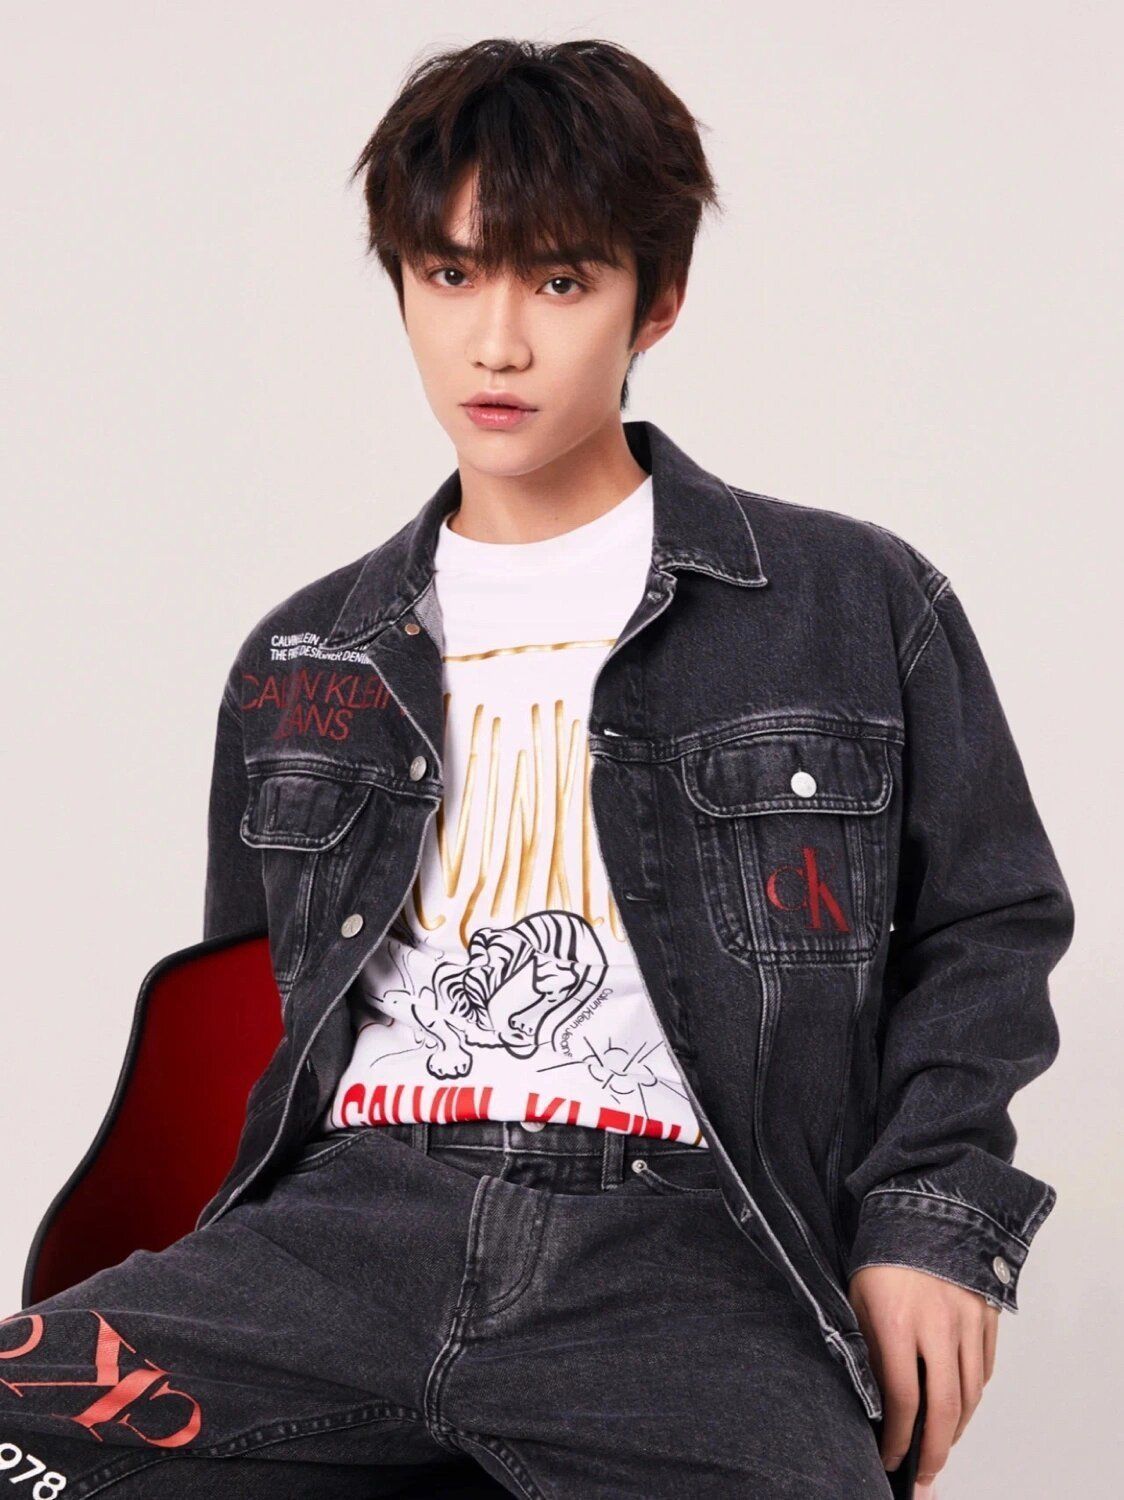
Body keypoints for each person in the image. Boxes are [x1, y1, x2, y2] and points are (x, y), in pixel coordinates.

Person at [1, 36, 1073, 1499]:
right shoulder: (305, 658)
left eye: (559, 282)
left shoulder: (851, 602)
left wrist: (933, 1223)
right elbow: (247, 1016)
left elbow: (989, 927)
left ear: (657, 301)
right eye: (450, 275)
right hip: (342, 1237)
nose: (495, 344)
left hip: (690, 1255)